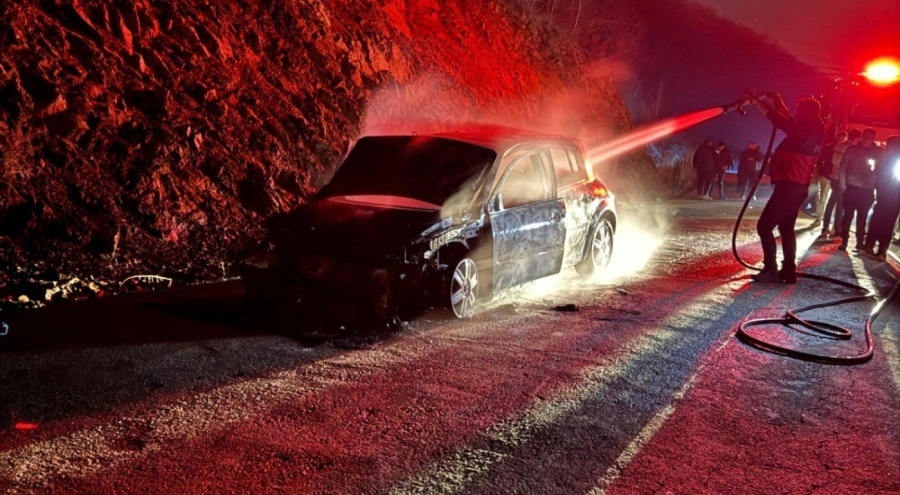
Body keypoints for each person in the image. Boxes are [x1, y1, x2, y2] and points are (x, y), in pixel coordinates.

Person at [742, 92, 825, 283]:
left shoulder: (808, 130)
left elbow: (781, 121)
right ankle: (788, 270)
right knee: (786, 228)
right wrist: (778, 101)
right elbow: (788, 120)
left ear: (807, 113)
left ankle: (770, 269)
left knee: (764, 226)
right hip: (795, 186)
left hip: (790, 186)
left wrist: (756, 102)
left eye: (799, 111)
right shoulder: (812, 127)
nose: (796, 114)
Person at [837, 128, 882, 252]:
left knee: (862, 217)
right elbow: (843, 167)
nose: (867, 138)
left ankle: (859, 242)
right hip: (852, 187)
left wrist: (877, 184)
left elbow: (881, 170)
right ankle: (844, 240)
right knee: (848, 215)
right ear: (861, 136)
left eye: (870, 136)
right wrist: (843, 185)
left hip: (867, 189)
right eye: (865, 135)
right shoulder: (852, 150)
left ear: (873, 138)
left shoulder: (878, 152)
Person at [862, 135, 900, 260]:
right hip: (885, 196)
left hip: (892, 197)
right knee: (880, 221)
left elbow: (890, 179)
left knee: (884, 223)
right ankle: (873, 248)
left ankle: (880, 250)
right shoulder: (887, 159)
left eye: (888, 145)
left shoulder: (895, 161)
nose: (886, 147)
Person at [821, 128, 862, 239]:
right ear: (857, 137)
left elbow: (834, 162)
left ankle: (825, 226)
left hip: (834, 177)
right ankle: (837, 229)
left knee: (831, 203)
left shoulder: (839, 145)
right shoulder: (853, 148)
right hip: (843, 179)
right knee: (840, 205)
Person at [811, 130, 847, 231]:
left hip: (836, 177)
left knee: (834, 201)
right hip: (828, 176)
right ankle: (819, 219)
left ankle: (831, 222)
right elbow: (820, 160)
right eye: (840, 138)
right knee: (823, 198)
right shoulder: (829, 147)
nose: (841, 140)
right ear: (837, 137)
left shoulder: (844, 149)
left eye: (843, 138)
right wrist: (821, 172)